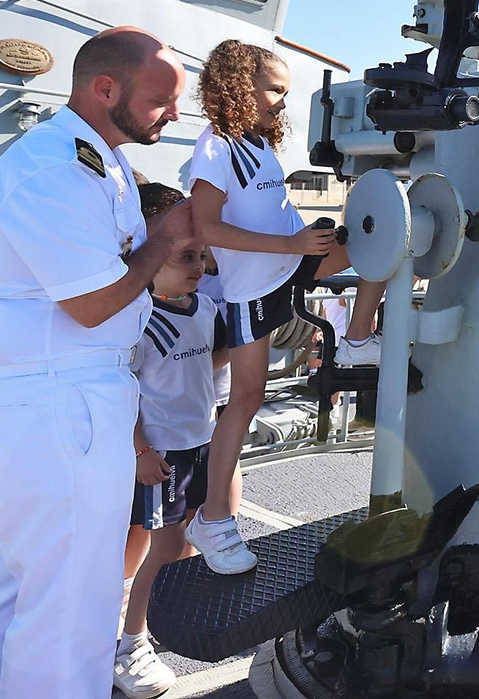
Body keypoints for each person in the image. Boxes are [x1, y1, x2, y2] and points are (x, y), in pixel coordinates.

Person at [0, 27, 193, 699]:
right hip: (59, 402)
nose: (172, 115)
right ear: (105, 89)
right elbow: (91, 303)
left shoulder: (97, 160)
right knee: (70, 607)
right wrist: (163, 241)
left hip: (60, 398)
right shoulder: (53, 167)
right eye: (159, 100)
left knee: (24, 582)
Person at [184, 40, 387, 575]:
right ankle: (213, 521)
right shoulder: (217, 146)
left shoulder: (257, 145)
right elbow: (206, 227)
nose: (281, 102)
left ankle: (360, 338)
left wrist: (307, 237)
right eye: (274, 90)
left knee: (384, 238)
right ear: (237, 86)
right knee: (245, 400)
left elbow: (269, 214)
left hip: (289, 264)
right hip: (254, 288)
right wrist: (293, 247)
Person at [115, 184, 226, 698]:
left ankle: (133, 616)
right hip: (163, 454)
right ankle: (130, 644)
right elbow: (124, 393)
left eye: (201, 256)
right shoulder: (138, 322)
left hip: (201, 445)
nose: (199, 265)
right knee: (164, 549)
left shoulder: (203, 309)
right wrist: (140, 450)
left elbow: (206, 365)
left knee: (167, 543)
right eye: (186, 257)